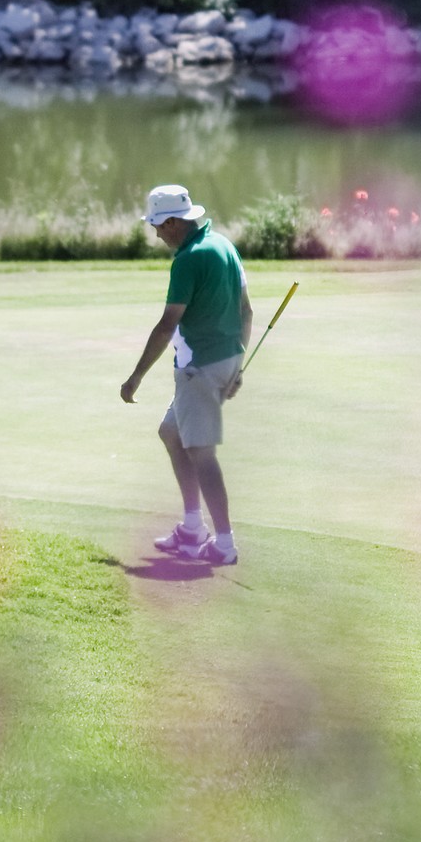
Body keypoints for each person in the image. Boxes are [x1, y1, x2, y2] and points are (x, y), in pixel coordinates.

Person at [119, 185, 253, 565]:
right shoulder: (224, 246)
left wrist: (136, 377)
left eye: (157, 226)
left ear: (173, 223)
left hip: (199, 369)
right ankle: (193, 528)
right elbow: (246, 311)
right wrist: (237, 365)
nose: (156, 234)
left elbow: (167, 326)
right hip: (224, 361)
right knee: (171, 431)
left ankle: (224, 544)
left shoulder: (187, 260)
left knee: (201, 454)